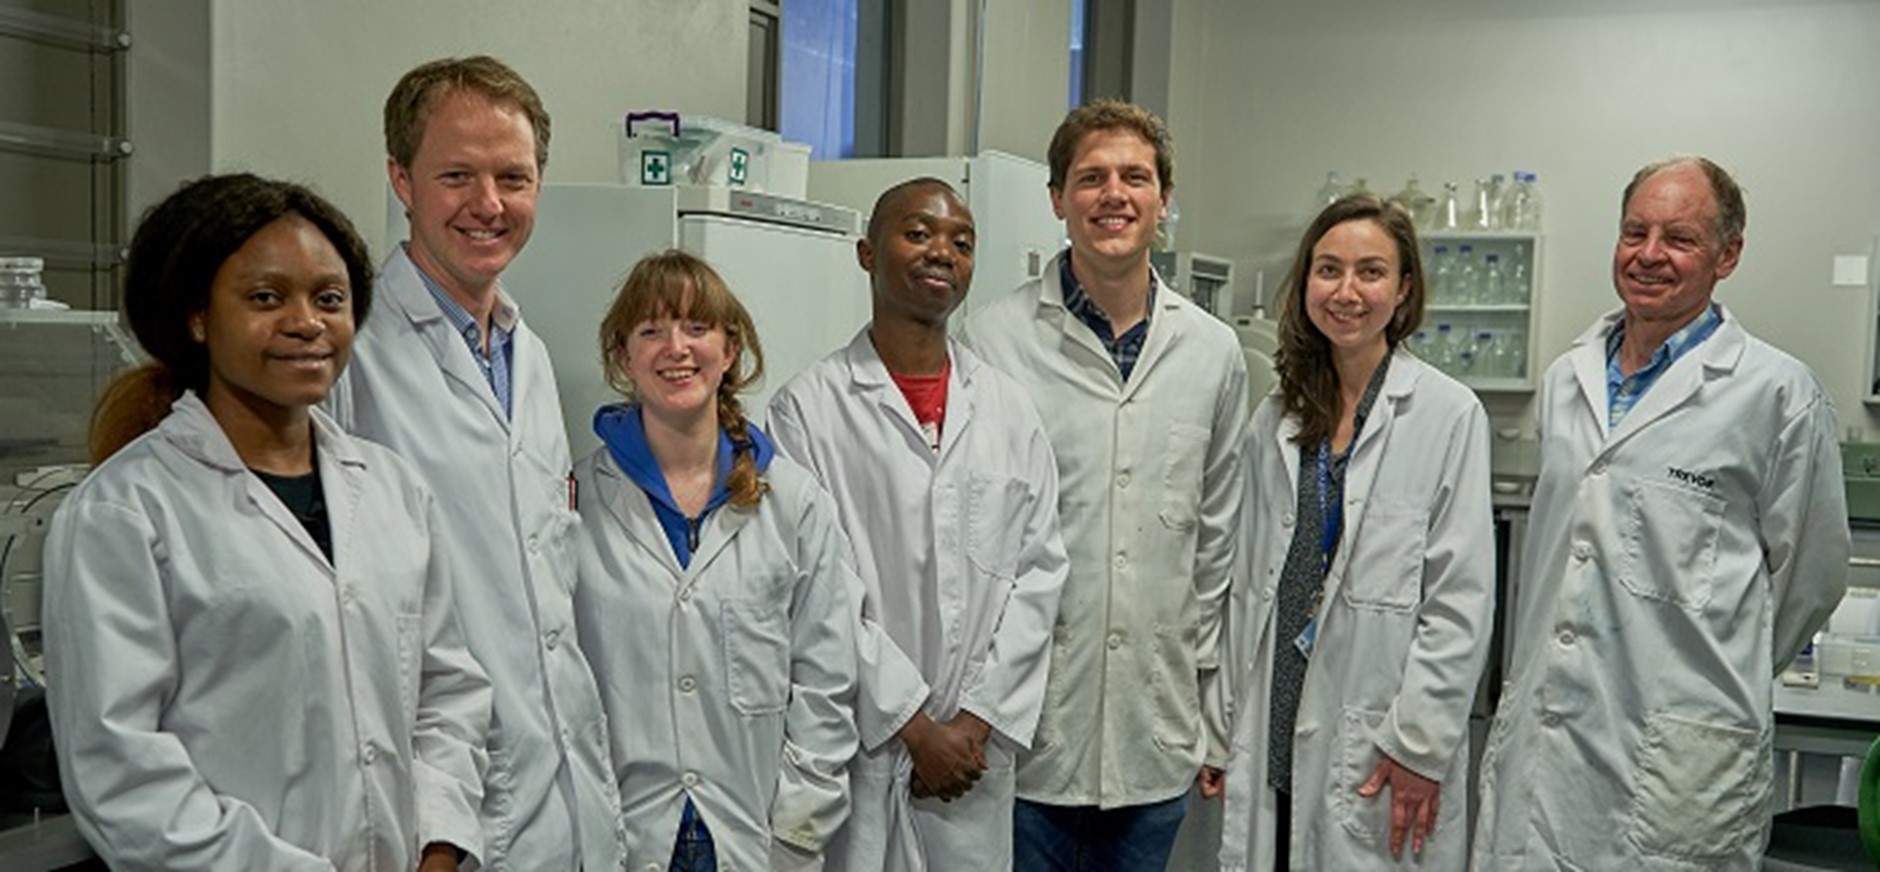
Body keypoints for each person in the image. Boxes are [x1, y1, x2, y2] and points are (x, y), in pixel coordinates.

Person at [44, 173, 490, 870]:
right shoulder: (122, 513)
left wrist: (439, 847)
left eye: (330, 299)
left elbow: (449, 694)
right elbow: (122, 774)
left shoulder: (393, 491)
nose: (307, 323)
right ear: (196, 317)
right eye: (264, 298)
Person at [1471, 157, 1850, 870]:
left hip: (1678, 754)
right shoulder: (1567, 377)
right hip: (1545, 744)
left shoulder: (1776, 395)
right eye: (1633, 232)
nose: (1648, 255)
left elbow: (1809, 582)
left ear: (1727, 255)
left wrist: (1707, 676)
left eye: (1678, 238)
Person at [325, 56, 624, 870]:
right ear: (400, 179)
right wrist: (436, 827)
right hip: (438, 817)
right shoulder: (349, 361)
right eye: (457, 175)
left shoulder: (526, 354)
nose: (488, 205)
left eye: (513, 178)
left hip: (567, 801)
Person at [963, 99, 1251, 870]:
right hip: (1026, 729)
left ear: (1163, 200)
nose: (1113, 195)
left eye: (1135, 177)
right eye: (1090, 178)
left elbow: (1217, 547)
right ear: (1057, 198)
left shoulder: (1214, 353)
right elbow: (970, 538)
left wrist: (1212, 715)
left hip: (1155, 726)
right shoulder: (992, 340)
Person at [769, 178, 1071, 869]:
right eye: (918, 233)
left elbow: (1040, 575)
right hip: (860, 745)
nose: (942, 252)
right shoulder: (807, 410)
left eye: (961, 242)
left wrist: (973, 722)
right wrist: (910, 723)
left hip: (974, 757)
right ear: (867, 253)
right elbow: (818, 589)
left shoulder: (1007, 409)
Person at [1215, 196, 1493, 871]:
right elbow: (1245, 585)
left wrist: (1421, 745)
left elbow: (1459, 604)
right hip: (1276, 712)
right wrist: (1217, 727)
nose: (1346, 292)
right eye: (1328, 270)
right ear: (1305, 282)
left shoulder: (1447, 415)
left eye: (1370, 272)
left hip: (1380, 730)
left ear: (1403, 291)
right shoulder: (1277, 416)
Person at [572, 250, 858, 871]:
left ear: (730, 350)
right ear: (624, 358)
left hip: (755, 834)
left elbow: (827, 680)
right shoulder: (575, 501)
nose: (676, 347)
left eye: (697, 327)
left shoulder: (794, 501)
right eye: (651, 330)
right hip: (622, 835)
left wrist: (798, 825)